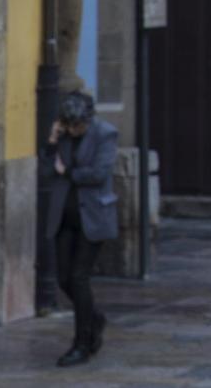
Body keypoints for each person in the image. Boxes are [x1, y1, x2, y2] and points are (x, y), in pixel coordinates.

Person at [45, 91, 118, 367]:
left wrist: (69, 173)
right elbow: (45, 171)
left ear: (88, 118)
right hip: (64, 218)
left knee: (79, 277)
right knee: (63, 278)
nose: (74, 130)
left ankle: (82, 344)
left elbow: (99, 174)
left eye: (79, 126)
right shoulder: (63, 134)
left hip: (93, 217)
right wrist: (52, 141)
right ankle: (95, 317)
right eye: (70, 125)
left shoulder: (105, 133)